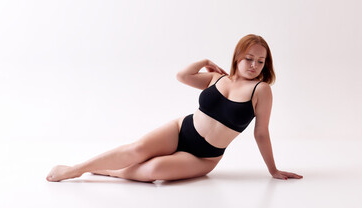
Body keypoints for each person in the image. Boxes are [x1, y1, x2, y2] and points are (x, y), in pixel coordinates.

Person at [46, 34, 303, 182]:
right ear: (237, 57)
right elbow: (182, 76)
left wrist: (272, 169)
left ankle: (108, 171)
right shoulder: (217, 78)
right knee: (137, 149)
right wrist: (204, 62)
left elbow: (261, 133)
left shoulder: (261, 90)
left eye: (260, 61)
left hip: (204, 155)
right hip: (182, 129)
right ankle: (74, 170)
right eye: (249, 58)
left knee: (156, 172)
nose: (254, 65)